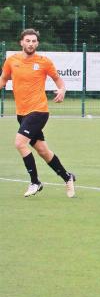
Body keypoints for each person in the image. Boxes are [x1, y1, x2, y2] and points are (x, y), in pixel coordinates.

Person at [0, 28, 76, 198]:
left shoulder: (44, 62)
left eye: (34, 41)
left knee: (20, 143)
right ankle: (67, 177)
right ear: (21, 42)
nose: (31, 44)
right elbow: (4, 79)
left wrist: (62, 89)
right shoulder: (12, 61)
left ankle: (35, 181)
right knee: (43, 151)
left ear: (37, 43)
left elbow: (58, 79)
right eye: (28, 40)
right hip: (22, 114)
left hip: (39, 111)